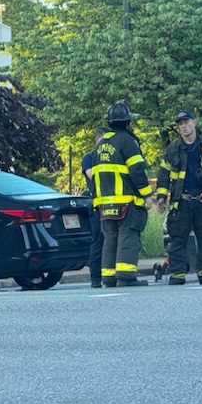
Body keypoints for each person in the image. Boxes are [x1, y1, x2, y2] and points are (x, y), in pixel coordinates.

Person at [155, 110, 202, 285]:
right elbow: (163, 176)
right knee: (178, 239)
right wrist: (162, 197)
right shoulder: (172, 149)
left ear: (194, 122)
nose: (183, 127)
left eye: (186, 122)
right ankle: (177, 274)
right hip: (182, 201)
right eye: (180, 124)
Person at [93, 102, 153, 287]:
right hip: (126, 202)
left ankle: (109, 276)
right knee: (128, 236)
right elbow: (136, 171)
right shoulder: (128, 141)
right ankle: (126, 277)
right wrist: (147, 195)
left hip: (104, 204)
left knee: (110, 239)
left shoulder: (101, 144)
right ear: (128, 122)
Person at [81, 126, 108, 288]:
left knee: (111, 241)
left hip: (114, 204)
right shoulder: (89, 158)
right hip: (98, 206)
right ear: (96, 140)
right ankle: (95, 278)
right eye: (102, 140)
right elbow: (93, 176)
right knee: (97, 241)